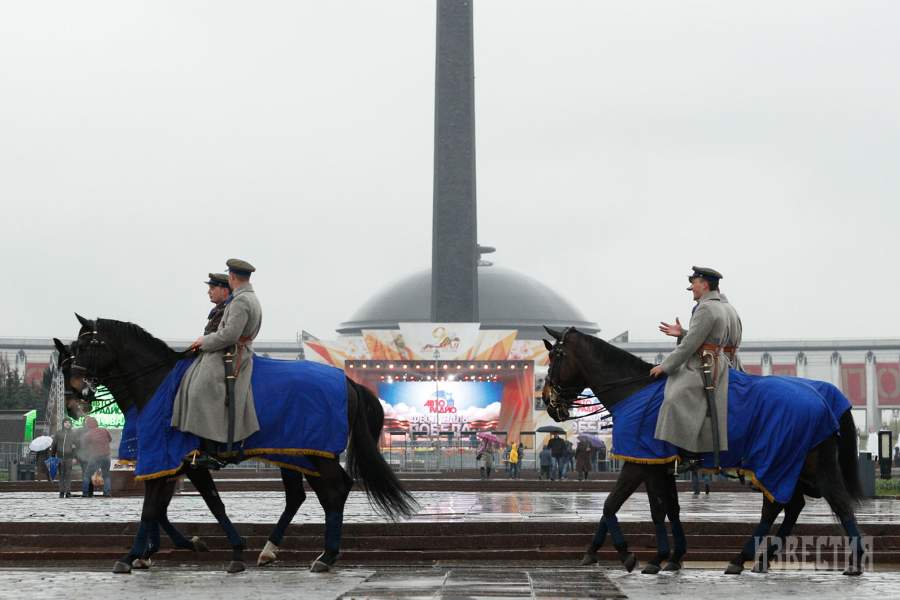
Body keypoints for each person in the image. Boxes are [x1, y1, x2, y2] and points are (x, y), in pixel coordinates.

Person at [172, 259, 263, 464]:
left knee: (200, 388)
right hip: (233, 350)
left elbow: (229, 335)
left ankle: (211, 450)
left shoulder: (241, 301)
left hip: (233, 353)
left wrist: (203, 341)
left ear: (231, 277)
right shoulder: (248, 297)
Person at [650, 267, 739, 461]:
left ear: (705, 284)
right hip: (711, 358)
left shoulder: (706, 307)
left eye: (694, 283)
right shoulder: (716, 305)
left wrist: (665, 366)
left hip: (704, 364)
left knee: (674, 398)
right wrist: (682, 332)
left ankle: (687, 452)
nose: (691, 287)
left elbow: (690, 345)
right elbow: (700, 337)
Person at [80, 416, 112, 497]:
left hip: (95, 457)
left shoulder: (88, 434)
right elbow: (110, 439)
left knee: (87, 475)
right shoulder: (104, 430)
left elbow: (83, 445)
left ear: (88, 425)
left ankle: (85, 493)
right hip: (106, 456)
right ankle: (107, 493)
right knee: (106, 475)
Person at [51, 419, 77, 498]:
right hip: (59, 457)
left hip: (69, 457)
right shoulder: (58, 433)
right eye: (66, 422)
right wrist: (53, 456)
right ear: (63, 424)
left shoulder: (73, 433)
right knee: (61, 475)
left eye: (69, 422)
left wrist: (75, 457)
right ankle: (61, 492)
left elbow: (76, 446)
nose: (67, 424)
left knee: (68, 475)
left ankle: (68, 492)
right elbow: (54, 445)